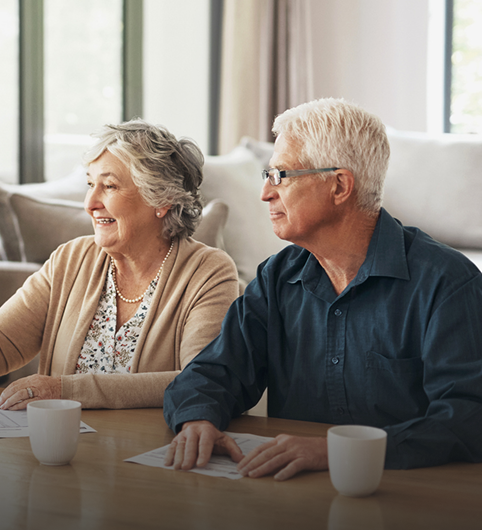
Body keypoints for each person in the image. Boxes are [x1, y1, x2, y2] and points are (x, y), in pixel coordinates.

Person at [163, 97, 482, 478]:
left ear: (340, 185)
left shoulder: (448, 284)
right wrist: (198, 420)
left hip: (409, 497)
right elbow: (214, 372)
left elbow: (467, 418)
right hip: (290, 492)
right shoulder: (276, 278)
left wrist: (337, 452)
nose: (265, 193)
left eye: (280, 175)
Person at [0, 120, 238, 409]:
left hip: (150, 447)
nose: (90, 202)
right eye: (90, 184)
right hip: (60, 446)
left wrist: (64, 390)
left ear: (163, 200)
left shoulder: (209, 272)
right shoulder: (70, 259)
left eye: (109, 186)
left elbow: (200, 381)